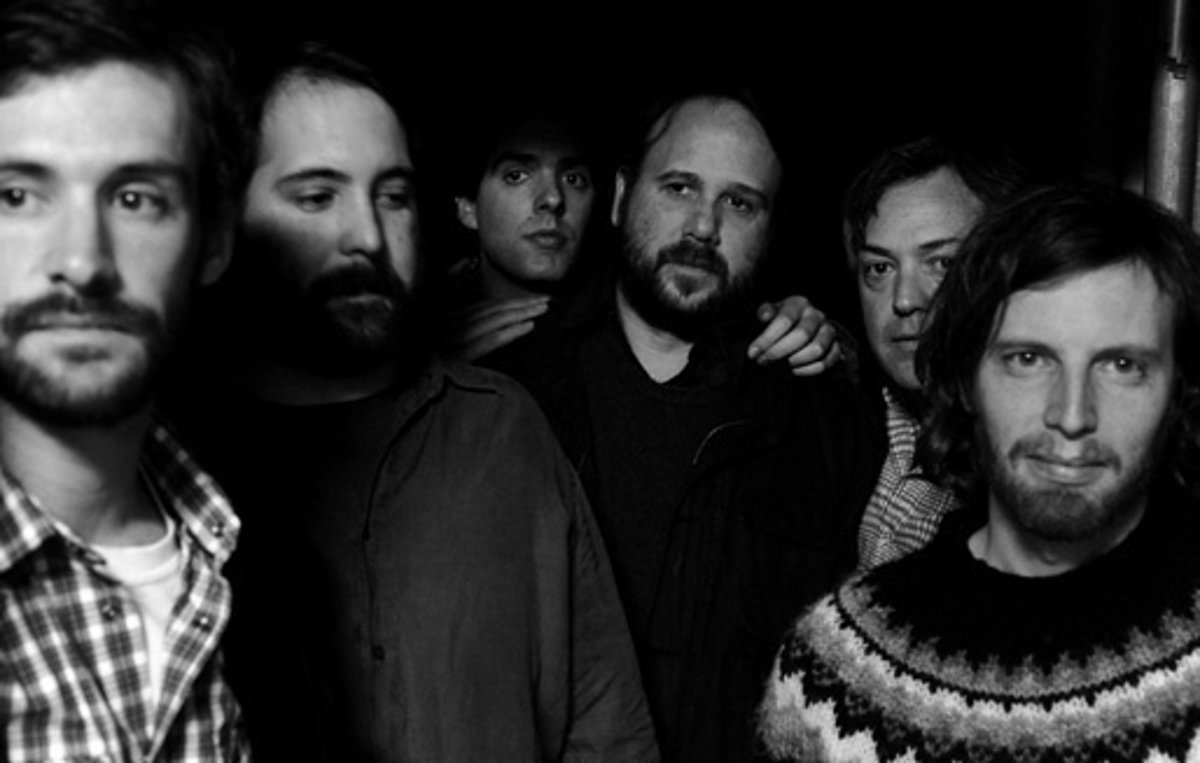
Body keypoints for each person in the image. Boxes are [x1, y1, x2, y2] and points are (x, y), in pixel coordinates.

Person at [167, 42, 657, 761]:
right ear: (222, 222)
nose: (367, 236)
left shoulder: (503, 430)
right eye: (317, 196)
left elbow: (608, 729)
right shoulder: (164, 464)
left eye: (392, 196)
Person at [488, 88, 884, 762]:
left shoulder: (828, 422)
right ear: (621, 197)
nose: (703, 226)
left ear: (771, 228)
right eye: (679, 187)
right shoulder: (507, 393)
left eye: (740, 203)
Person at [758, 183, 1200, 762]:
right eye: (1027, 359)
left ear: (1176, 393)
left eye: (1122, 365)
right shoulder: (832, 673)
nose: (1071, 415)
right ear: (966, 380)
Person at [0, 0, 247, 759]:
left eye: (136, 198)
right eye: (16, 196)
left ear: (213, 239)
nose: (83, 262)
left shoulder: (246, 564)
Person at [443, 101, 842, 372]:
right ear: (466, 206)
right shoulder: (432, 323)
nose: (552, 199)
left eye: (575, 178)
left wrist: (820, 335)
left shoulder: (638, 299)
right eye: (516, 175)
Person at [844, 136, 1026, 568]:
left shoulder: (1024, 469)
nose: (904, 299)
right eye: (879, 268)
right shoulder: (858, 430)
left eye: (941, 263)